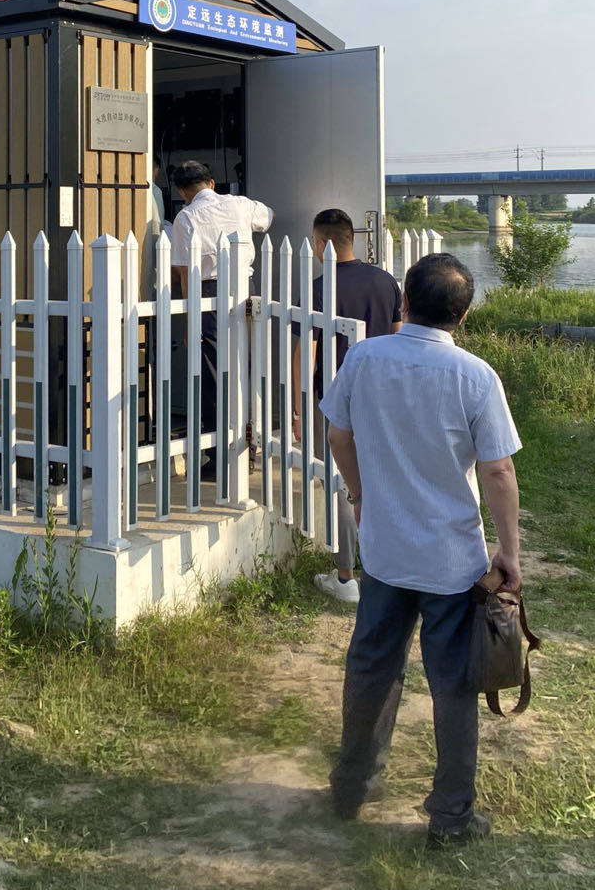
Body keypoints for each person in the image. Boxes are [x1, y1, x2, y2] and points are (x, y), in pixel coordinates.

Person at [321, 252, 522, 846]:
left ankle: (353, 785)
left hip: (385, 548)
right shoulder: (476, 376)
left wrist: (359, 495)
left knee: (371, 666)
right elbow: (499, 472)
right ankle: (451, 815)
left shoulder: (363, 357)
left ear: (403, 301)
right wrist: (508, 553)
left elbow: (338, 434)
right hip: (452, 560)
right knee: (454, 684)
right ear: (463, 315)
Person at [295, 208, 402, 605]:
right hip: (382, 396)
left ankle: (345, 576)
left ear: (321, 242)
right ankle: (385, 563)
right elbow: (397, 338)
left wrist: (297, 408)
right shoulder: (386, 281)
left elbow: (306, 354)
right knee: (381, 477)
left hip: (336, 398)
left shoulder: (319, 288)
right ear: (350, 239)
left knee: (341, 485)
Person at [167, 160, 273, 472]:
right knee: (246, 371)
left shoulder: (185, 217)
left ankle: (219, 458)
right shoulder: (240, 204)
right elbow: (269, 217)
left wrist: (190, 322)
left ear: (183, 192)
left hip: (209, 295)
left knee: (213, 377)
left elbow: (185, 275)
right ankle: (248, 449)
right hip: (246, 293)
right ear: (211, 183)